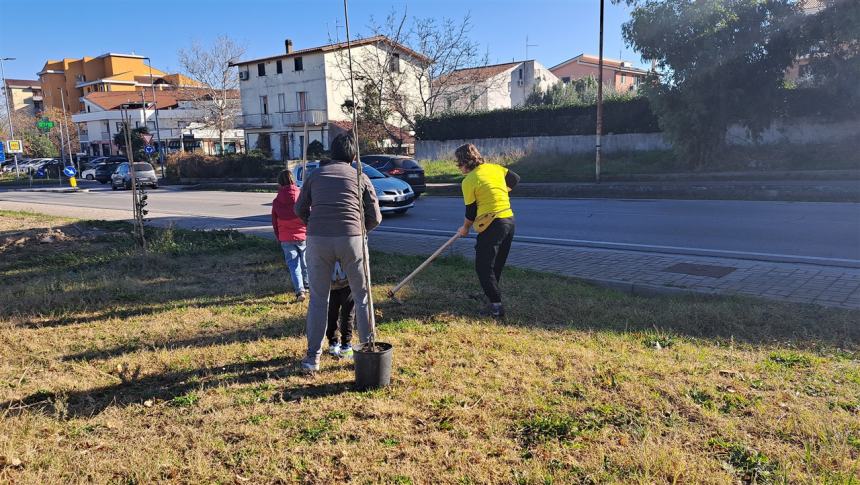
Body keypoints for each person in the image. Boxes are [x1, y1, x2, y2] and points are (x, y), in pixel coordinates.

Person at [294, 133, 382, 372]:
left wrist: (313, 223)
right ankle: (368, 353)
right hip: (352, 238)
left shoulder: (314, 175)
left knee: (319, 300)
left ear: (331, 154)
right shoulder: (359, 176)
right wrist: (359, 229)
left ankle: (312, 359)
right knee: (362, 297)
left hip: (317, 240)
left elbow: (299, 209)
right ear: (353, 156)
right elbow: (375, 216)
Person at [455, 143, 520, 319]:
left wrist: (465, 229)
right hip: (509, 221)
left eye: (458, 163)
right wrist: (500, 192)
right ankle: (490, 296)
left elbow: (471, 212)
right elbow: (515, 179)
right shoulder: (495, 168)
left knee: (483, 266)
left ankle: (496, 307)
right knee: (494, 264)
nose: (458, 167)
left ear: (465, 162)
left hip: (493, 225)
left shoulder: (469, 181)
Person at [272, 169, 308, 301]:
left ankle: (300, 291)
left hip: (286, 237)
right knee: (305, 262)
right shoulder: (301, 195)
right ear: (293, 179)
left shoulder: (277, 201)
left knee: (293, 265)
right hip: (303, 235)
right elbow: (309, 213)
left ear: (279, 182)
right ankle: (308, 284)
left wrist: (278, 237)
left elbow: (275, 222)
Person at [326, 261, 355, 359]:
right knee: (347, 314)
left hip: (330, 284)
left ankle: (334, 343)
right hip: (346, 283)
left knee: (332, 313)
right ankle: (345, 346)